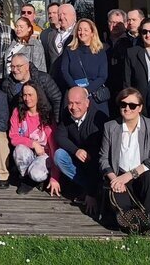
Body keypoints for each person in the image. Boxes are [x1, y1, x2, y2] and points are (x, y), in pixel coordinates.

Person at [99, 88, 150, 236]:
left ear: (140, 108)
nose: (127, 108)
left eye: (132, 105)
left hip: (143, 176)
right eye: (123, 104)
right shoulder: (110, 127)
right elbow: (103, 159)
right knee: (122, 220)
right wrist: (115, 180)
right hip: (120, 176)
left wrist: (130, 175)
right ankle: (136, 223)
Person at [50, 86, 108, 214]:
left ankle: (93, 190)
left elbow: (98, 160)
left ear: (87, 103)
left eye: (78, 103)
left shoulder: (98, 120)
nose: (73, 107)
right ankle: (85, 187)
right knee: (59, 155)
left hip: (97, 163)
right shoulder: (67, 114)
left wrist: (91, 194)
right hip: (78, 159)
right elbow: (60, 136)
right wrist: (76, 150)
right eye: (70, 103)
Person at [9, 81, 56, 195]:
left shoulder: (46, 115)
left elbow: (54, 146)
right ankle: (27, 180)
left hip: (44, 154)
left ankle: (37, 178)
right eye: (24, 95)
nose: (27, 98)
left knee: (37, 174)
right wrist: (33, 144)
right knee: (19, 149)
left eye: (30, 95)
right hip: (28, 152)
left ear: (38, 95)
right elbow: (13, 137)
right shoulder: (17, 112)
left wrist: (55, 177)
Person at [59, 19, 110, 114]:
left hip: (94, 96)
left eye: (86, 30)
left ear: (92, 33)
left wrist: (86, 90)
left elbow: (103, 76)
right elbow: (64, 71)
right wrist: (77, 90)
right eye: (79, 30)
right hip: (73, 94)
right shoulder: (69, 50)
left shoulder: (100, 51)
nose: (82, 33)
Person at [108, 8, 144, 94]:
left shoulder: (135, 42)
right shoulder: (101, 43)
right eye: (112, 22)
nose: (115, 25)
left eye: (118, 23)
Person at [41, 3, 76, 74]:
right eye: (59, 14)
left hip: (73, 77)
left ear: (74, 15)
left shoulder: (79, 33)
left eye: (64, 14)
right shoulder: (51, 35)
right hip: (54, 78)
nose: (61, 17)